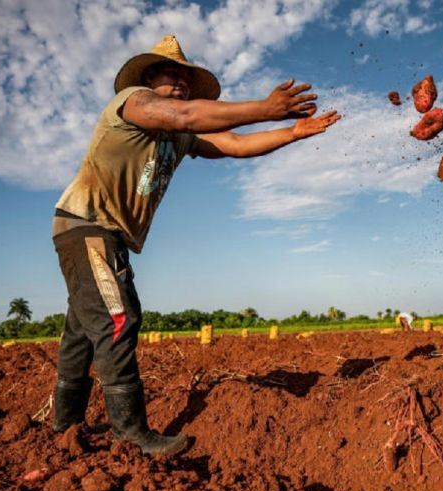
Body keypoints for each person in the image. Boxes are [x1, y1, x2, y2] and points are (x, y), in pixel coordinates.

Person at [50, 35, 340, 456]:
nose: (182, 82)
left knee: (82, 331)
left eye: (187, 78)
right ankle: (130, 432)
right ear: (150, 77)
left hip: (103, 232)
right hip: (87, 224)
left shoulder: (176, 137)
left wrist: (290, 131)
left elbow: (235, 144)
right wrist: (263, 107)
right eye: (173, 74)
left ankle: (65, 429)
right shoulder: (134, 103)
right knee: (118, 319)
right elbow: (185, 115)